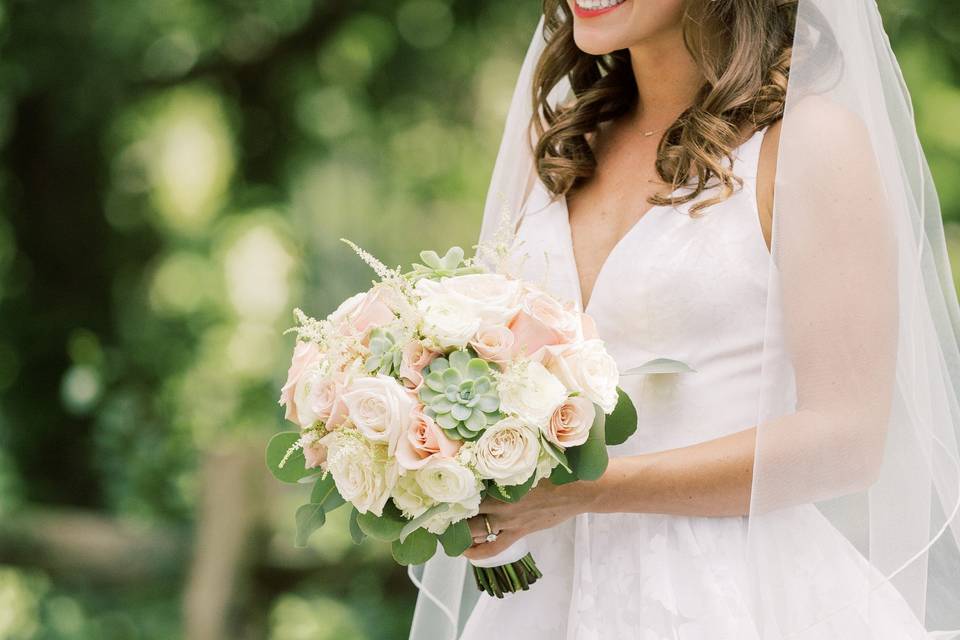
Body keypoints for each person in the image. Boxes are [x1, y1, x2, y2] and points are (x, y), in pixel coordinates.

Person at [408, 2, 960, 638]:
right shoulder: (560, 147)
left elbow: (848, 442)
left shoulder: (808, 143)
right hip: (544, 599)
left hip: (728, 598)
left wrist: (590, 489)